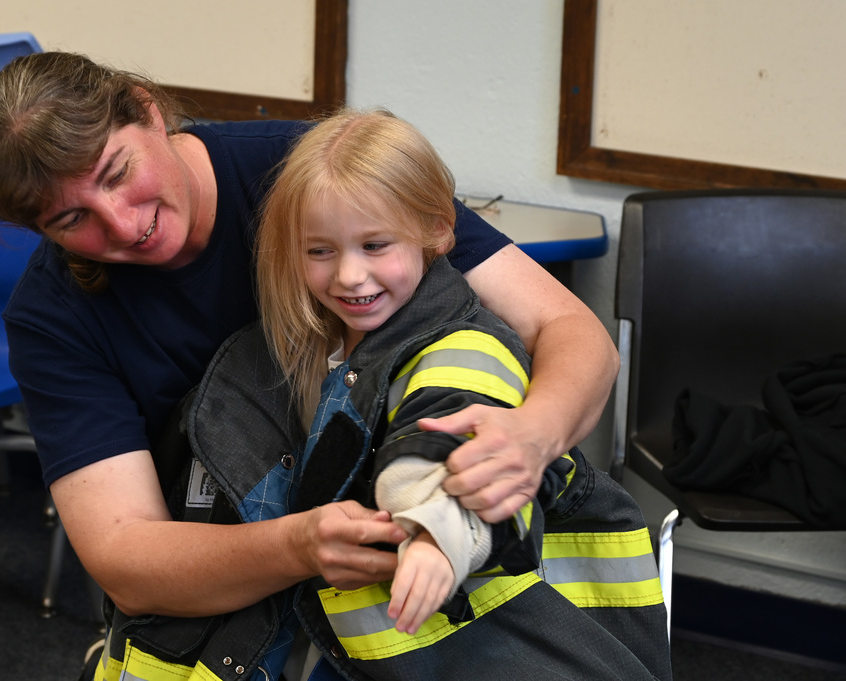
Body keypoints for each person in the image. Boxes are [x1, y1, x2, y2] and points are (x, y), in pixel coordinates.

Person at [0, 52, 621, 679]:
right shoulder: (54, 312)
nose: (121, 222)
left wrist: (537, 432)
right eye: (72, 218)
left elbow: (568, 329)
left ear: (148, 110)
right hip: (239, 586)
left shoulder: (314, 172)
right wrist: (297, 545)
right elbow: (124, 557)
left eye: (115, 171)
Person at [196, 106, 668, 679]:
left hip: (530, 645)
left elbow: (448, 441)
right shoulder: (321, 353)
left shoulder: (463, 347)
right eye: (320, 251)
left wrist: (437, 538)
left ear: (438, 231)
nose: (348, 275)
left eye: (375, 245)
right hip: (396, 648)